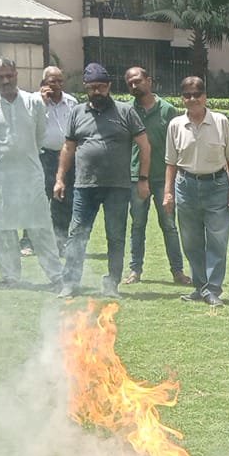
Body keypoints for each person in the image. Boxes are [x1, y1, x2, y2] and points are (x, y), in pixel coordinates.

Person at [54, 62, 151, 299]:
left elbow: (145, 146)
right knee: (77, 234)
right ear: (86, 88)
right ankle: (70, 283)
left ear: (109, 86)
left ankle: (112, 283)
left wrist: (143, 179)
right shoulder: (77, 112)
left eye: (101, 87)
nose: (97, 92)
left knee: (116, 236)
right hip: (84, 185)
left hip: (117, 186)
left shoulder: (125, 111)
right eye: (91, 87)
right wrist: (59, 179)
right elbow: (68, 147)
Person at [0, 57, 64, 289]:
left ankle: (56, 275)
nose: (5, 80)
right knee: (3, 228)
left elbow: (39, 137)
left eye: (9, 75)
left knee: (41, 225)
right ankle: (11, 277)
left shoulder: (34, 102)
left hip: (30, 175)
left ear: (17, 74)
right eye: (0, 76)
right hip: (1, 178)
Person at [163, 75, 229, 306]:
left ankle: (213, 288)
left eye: (197, 94)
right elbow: (171, 162)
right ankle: (200, 286)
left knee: (217, 239)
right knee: (191, 240)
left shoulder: (220, 121)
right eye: (187, 95)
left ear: (205, 97)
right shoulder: (176, 124)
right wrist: (168, 192)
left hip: (217, 185)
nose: (193, 99)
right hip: (185, 186)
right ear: (182, 98)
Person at [124, 66, 188, 287]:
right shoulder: (127, 111)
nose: (134, 85)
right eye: (130, 82)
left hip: (163, 178)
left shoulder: (167, 110)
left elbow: (178, 145)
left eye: (138, 81)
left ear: (149, 81)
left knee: (169, 225)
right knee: (137, 225)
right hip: (136, 178)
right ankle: (135, 270)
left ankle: (178, 271)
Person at [38, 66, 76, 255]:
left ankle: (60, 241)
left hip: (65, 157)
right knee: (39, 200)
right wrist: (42, 104)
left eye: (60, 81)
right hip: (42, 156)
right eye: (53, 81)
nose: (57, 85)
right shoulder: (34, 102)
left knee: (64, 199)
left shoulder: (71, 102)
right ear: (44, 82)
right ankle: (31, 241)